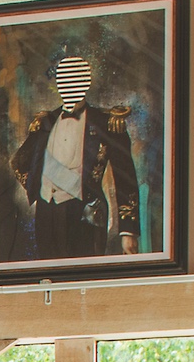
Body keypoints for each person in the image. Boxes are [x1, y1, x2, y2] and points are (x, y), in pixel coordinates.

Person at [8, 51, 141, 262]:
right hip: (46, 214)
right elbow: (19, 162)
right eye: (64, 79)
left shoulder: (106, 123)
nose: (70, 84)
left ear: (86, 82)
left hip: (85, 215)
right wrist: (38, 185)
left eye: (76, 78)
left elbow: (125, 178)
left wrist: (129, 231)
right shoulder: (45, 122)